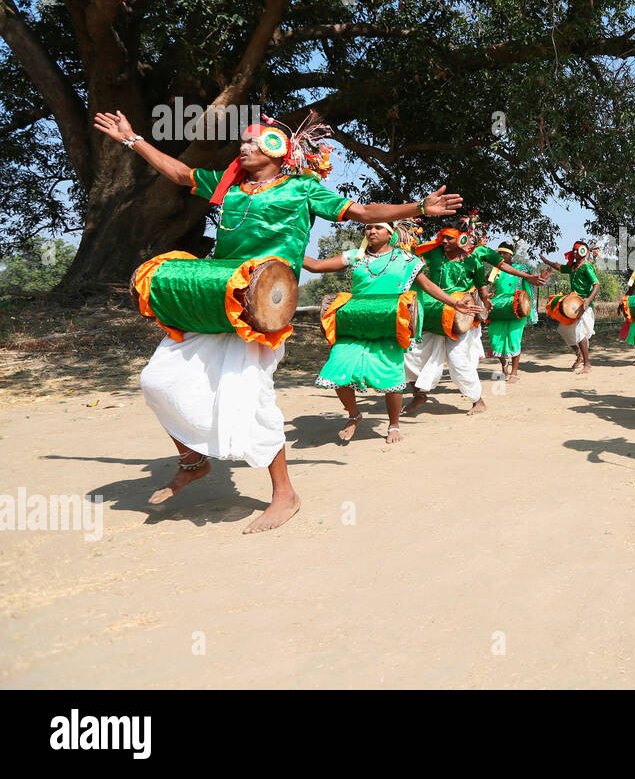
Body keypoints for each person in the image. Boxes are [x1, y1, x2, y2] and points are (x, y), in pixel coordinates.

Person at [93, 109, 463, 532]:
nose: (243, 148)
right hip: (219, 295)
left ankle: (284, 494)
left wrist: (418, 207)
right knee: (157, 380)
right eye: (243, 143)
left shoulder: (304, 188)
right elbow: (180, 174)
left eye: (253, 142)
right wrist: (131, 138)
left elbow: (361, 212)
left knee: (250, 398)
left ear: (278, 150)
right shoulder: (228, 186)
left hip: (265, 304)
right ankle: (193, 462)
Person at [305, 221, 479, 444]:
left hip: (390, 323)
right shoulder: (355, 255)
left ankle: (393, 425)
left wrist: (454, 304)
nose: (372, 231)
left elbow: (427, 286)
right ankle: (354, 415)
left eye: (378, 228)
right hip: (356, 322)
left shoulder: (406, 260)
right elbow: (317, 266)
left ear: (390, 233)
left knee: (391, 374)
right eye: (368, 228)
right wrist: (291, 253)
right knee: (338, 366)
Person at [404, 222, 543, 414]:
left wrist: (488, 297)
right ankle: (419, 395)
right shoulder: (433, 251)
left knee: (458, 360)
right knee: (412, 354)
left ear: (461, 238)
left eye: (448, 238)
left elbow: (488, 276)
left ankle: (477, 400)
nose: (443, 241)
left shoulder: (475, 257)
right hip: (433, 310)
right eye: (441, 236)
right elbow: (408, 258)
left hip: (462, 312)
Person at [540, 240, 602, 374]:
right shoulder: (574, 267)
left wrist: (587, 300)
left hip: (583, 305)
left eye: (576, 249)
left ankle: (587, 365)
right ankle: (579, 353)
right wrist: (547, 262)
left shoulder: (587, 267)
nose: (574, 252)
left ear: (583, 251)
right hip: (573, 305)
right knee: (564, 329)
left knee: (580, 333)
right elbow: (559, 267)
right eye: (573, 250)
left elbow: (596, 285)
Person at [483, 241, 538, 384]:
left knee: (514, 337)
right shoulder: (495, 270)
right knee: (495, 338)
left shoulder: (522, 268)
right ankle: (503, 363)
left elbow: (529, 284)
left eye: (504, 253)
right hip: (499, 307)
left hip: (516, 308)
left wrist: (527, 307)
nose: (501, 255)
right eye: (499, 253)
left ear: (511, 254)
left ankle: (514, 372)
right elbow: (483, 283)